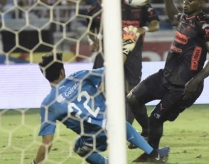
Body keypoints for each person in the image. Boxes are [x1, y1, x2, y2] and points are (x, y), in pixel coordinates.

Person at [30, 26, 170, 164]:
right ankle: (154, 154)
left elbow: (47, 143)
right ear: (62, 71)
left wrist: (34, 163)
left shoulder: (48, 104)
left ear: (45, 76)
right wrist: (127, 45)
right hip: (114, 130)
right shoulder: (78, 77)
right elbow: (113, 69)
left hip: (94, 140)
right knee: (119, 122)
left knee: (79, 147)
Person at [127, 0, 209, 162]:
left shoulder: (204, 24)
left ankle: (152, 155)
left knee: (157, 118)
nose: (185, 2)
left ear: (201, 3)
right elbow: (172, 16)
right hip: (165, 77)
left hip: (184, 86)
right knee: (132, 99)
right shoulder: (185, 17)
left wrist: (195, 80)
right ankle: (147, 132)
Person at [86, 0, 160, 129]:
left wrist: (141, 29)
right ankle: (105, 124)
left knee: (132, 91)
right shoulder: (113, 4)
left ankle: (129, 128)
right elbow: (100, 24)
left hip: (133, 52)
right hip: (111, 49)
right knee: (103, 86)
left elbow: (155, 25)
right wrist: (97, 39)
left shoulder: (143, 5)